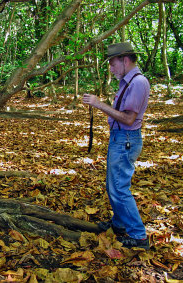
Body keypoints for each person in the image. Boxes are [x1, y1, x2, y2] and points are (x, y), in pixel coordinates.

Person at [82, 42, 150, 250]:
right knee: (114, 186)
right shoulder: (127, 82)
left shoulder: (138, 83)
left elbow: (129, 119)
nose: (110, 68)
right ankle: (119, 224)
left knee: (119, 188)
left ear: (125, 60)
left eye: (112, 63)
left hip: (126, 139)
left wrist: (98, 104)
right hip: (121, 139)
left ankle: (139, 236)